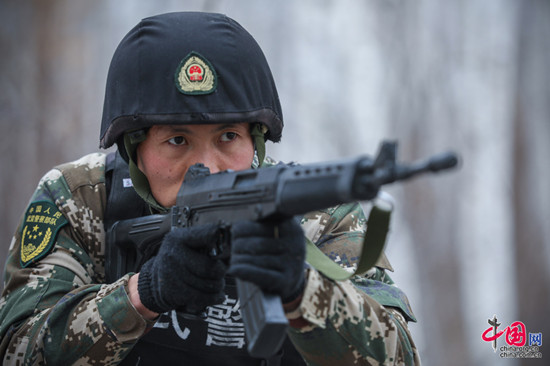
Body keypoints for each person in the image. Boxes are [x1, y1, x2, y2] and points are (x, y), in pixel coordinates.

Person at [0, 12, 420, 365]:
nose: (207, 167)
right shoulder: (81, 198)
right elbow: (17, 349)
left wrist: (302, 290)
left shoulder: (319, 216)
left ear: (254, 140)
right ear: (134, 147)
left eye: (228, 138)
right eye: (177, 140)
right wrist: (143, 293)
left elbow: (399, 355)